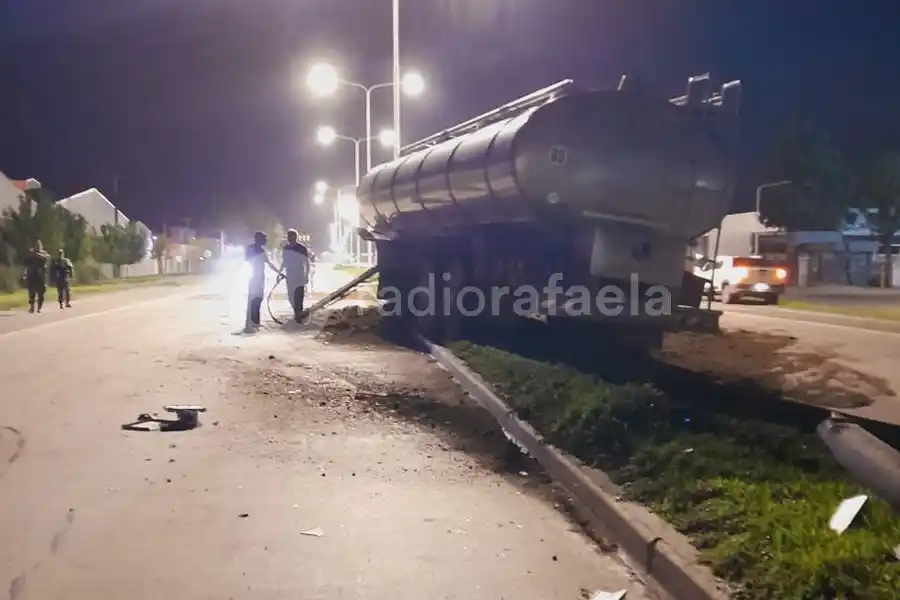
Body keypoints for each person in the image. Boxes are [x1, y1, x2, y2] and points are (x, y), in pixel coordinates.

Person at [244, 231, 281, 328]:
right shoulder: (259, 251)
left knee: (256, 299)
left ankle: (254, 321)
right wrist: (279, 273)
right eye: (264, 239)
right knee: (256, 299)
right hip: (257, 278)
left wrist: (280, 273)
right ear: (259, 239)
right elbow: (269, 264)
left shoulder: (252, 249)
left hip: (256, 277)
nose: (266, 241)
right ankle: (254, 321)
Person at [280, 229, 311, 323]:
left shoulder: (301, 248)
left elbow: (306, 263)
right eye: (288, 236)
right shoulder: (286, 248)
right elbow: (284, 262)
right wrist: (279, 272)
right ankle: (297, 313)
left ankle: (299, 315)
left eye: (291, 236)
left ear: (295, 237)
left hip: (299, 274)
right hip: (290, 275)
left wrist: (306, 275)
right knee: (290, 296)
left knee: (299, 296)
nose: (289, 238)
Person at [22, 241, 50, 313]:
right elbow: (26, 265)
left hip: (41, 277)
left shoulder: (44, 253)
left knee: (41, 294)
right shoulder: (30, 255)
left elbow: (46, 258)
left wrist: (36, 254)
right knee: (31, 293)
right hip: (32, 276)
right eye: (36, 245)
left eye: (39, 245)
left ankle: (39, 308)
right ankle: (32, 307)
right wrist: (24, 274)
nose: (37, 246)